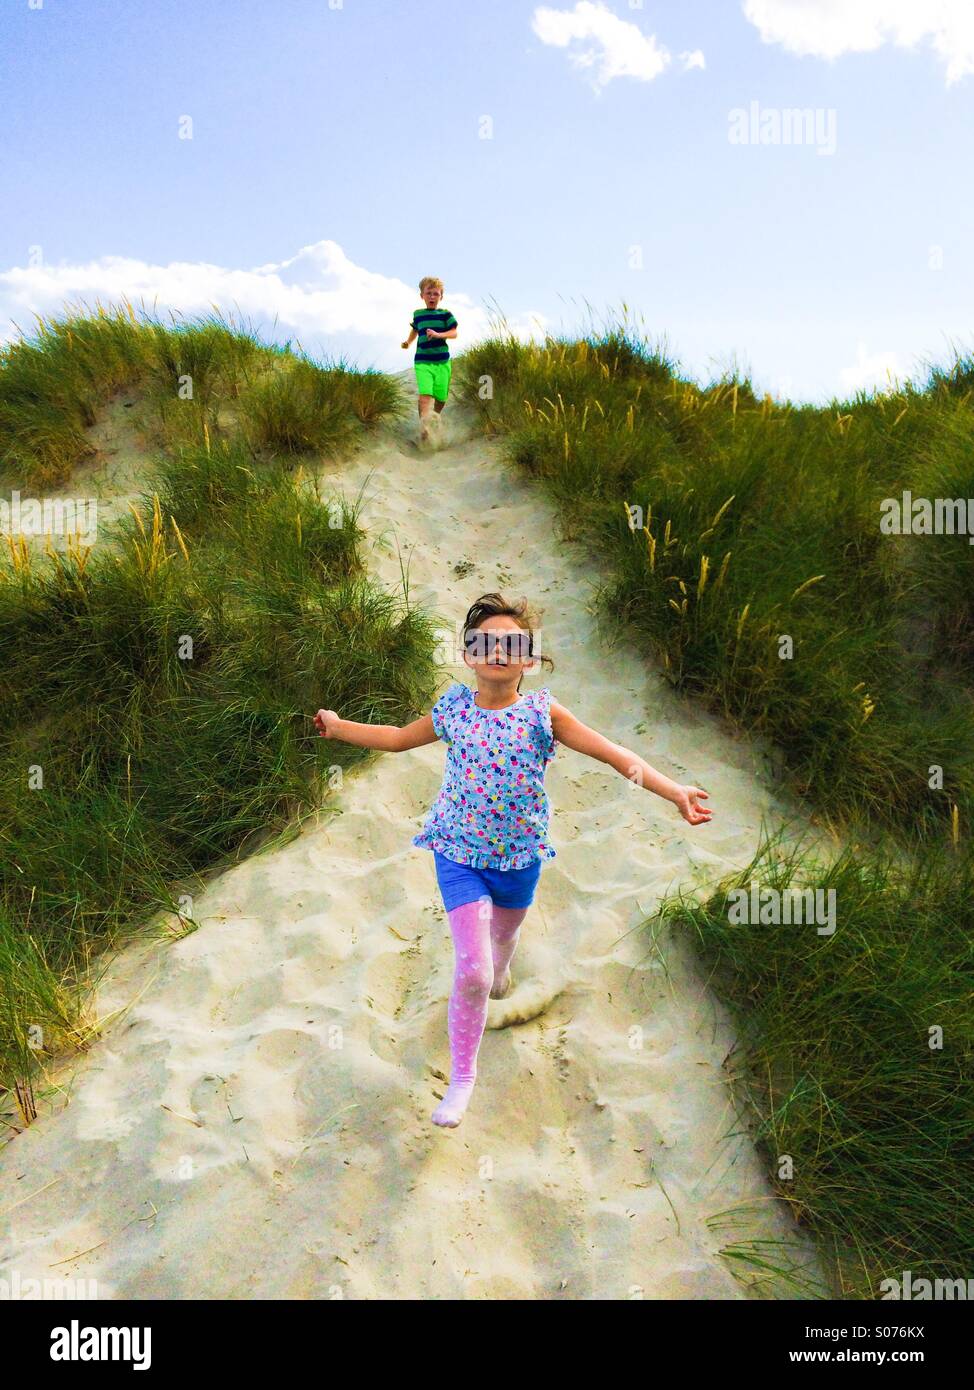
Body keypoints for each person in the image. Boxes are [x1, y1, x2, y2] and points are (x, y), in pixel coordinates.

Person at [313, 592, 713, 1128]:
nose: (498, 650)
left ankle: (504, 969)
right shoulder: (453, 708)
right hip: (458, 855)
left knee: (502, 943)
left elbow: (619, 758)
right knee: (473, 972)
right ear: (469, 654)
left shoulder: (542, 713)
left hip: (521, 859)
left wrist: (675, 792)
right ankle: (463, 1078)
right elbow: (394, 739)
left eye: (512, 643)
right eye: (485, 642)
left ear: (529, 658)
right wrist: (340, 728)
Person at [401, 276, 458, 443]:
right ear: (422, 296)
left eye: (436, 294)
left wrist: (439, 334)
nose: (432, 297)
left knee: (441, 398)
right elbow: (415, 330)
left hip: (442, 362)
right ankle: (424, 427)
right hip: (422, 361)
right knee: (425, 395)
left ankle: (434, 418)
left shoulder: (445, 315)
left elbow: (454, 333)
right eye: (429, 293)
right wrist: (408, 342)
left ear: (441, 296)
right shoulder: (418, 315)